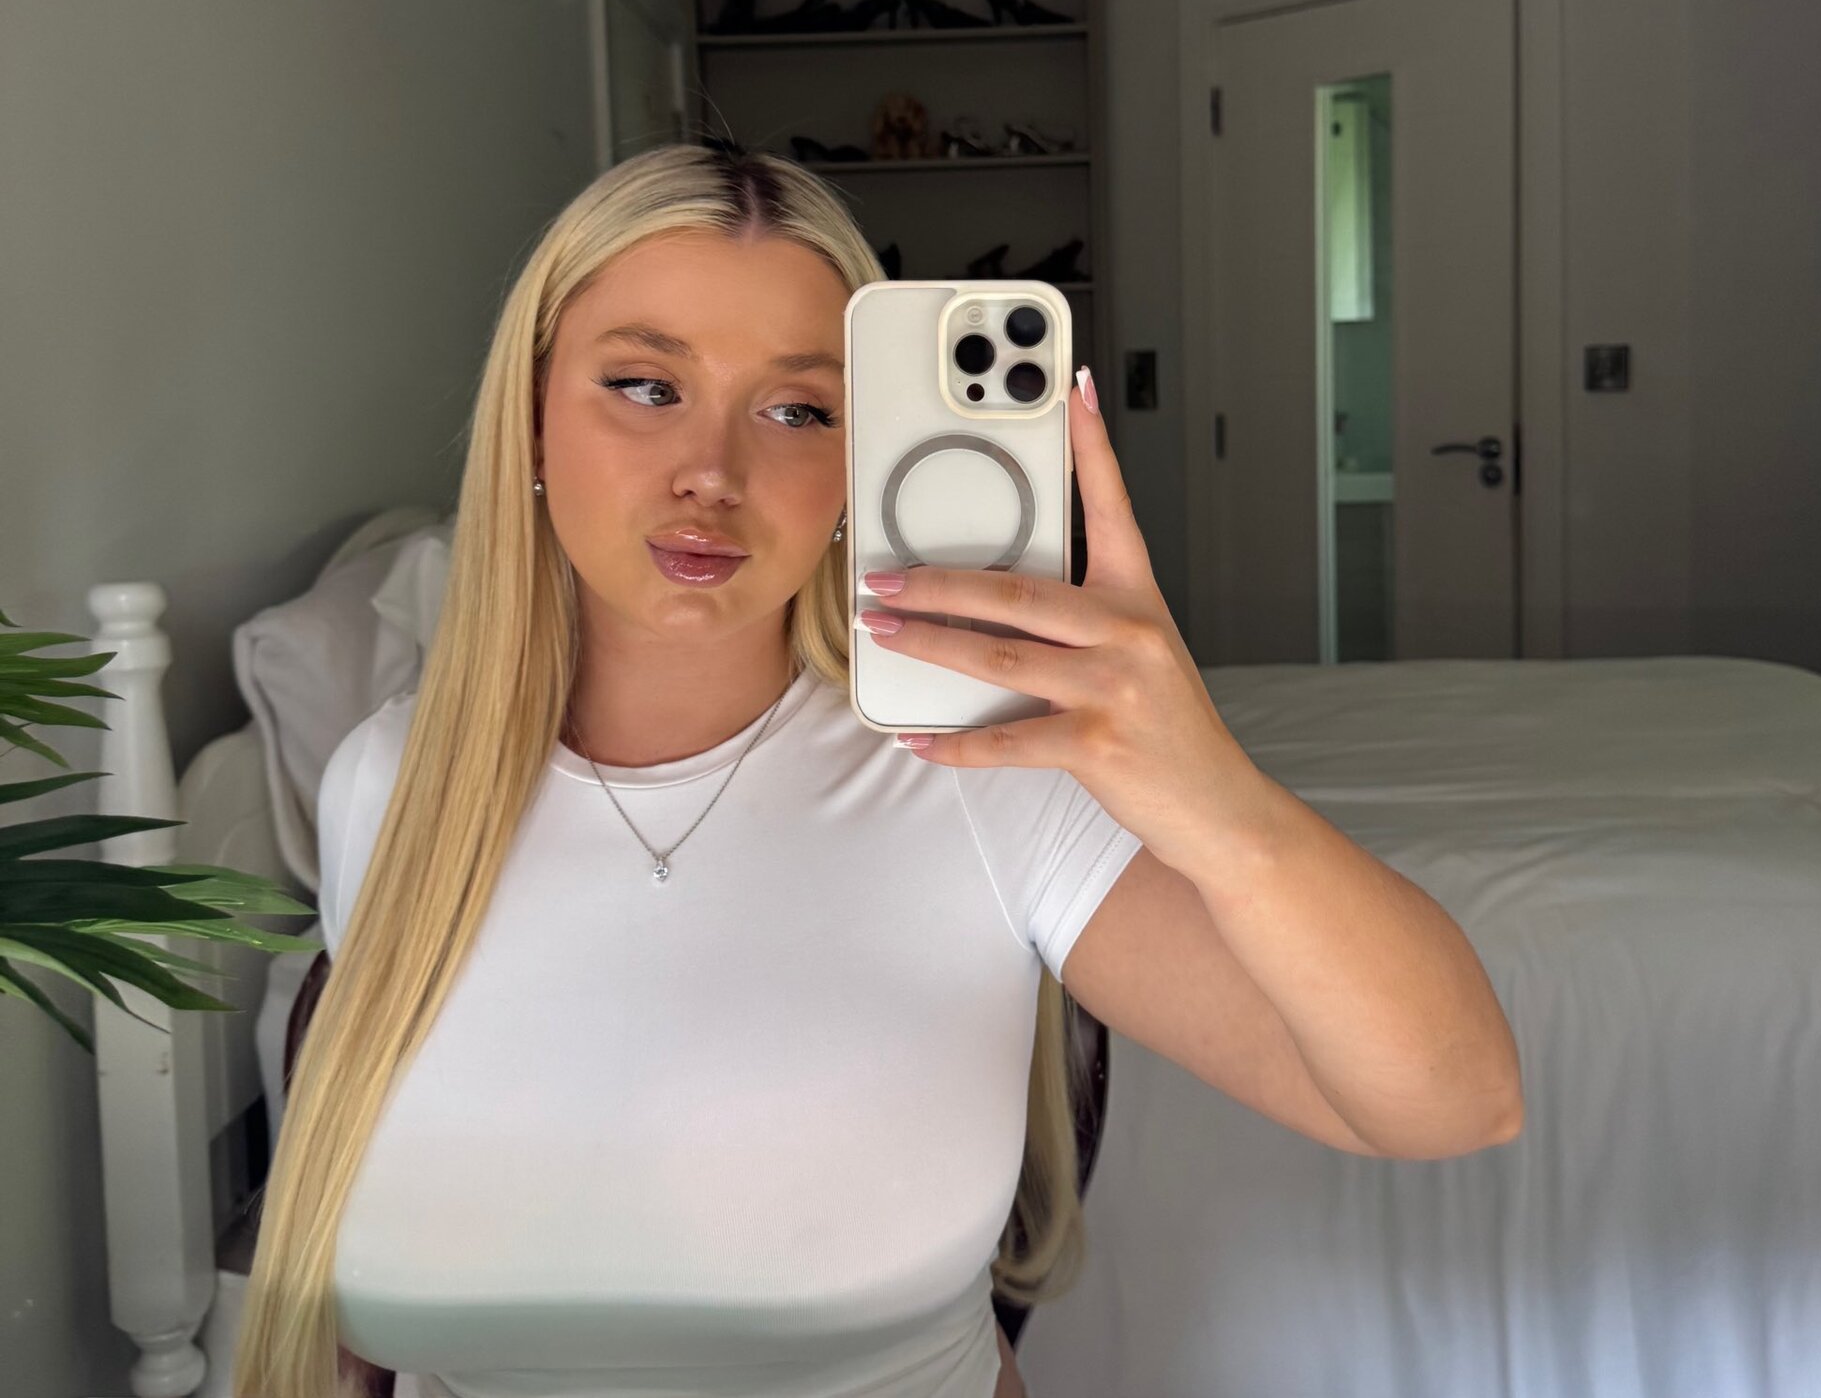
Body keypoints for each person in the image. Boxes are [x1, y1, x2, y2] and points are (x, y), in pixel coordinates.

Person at [240, 141, 1521, 1398]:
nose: (713, 471)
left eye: (798, 409)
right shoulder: (385, 784)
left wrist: (1218, 797)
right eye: (644, 385)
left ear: (860, 463)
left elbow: (1451, 1099)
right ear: (529, 415)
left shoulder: (978, 774)